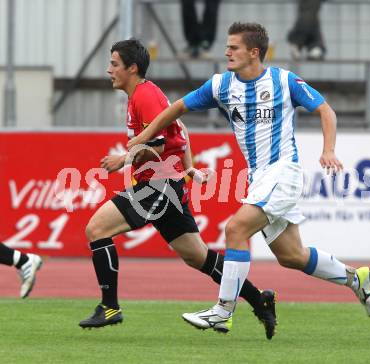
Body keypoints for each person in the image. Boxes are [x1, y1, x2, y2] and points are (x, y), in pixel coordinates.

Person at [127, 22, 370, 334]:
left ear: (254, 52)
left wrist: (328, 149)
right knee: (291, 256)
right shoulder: (221, 85)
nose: (227, 52)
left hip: (284, 172)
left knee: (235, 229)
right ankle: (355, 278)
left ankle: (223, 311)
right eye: (227, 46)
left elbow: (326, 111)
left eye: (234, 47)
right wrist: (144, 136)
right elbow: (173, 110)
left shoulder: (283, 81)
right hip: (260, 178)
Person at [78, 39, 277, 340]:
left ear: (132, 68)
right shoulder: (144, 95)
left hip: (158, 186)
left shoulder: (145, 96)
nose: (109, 70)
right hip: (166, 185)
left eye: (114, 64)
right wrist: (189, 168)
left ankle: (109, 307)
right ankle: (259, 298)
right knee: (198, 257)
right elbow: (180, 130)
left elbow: (158, 143)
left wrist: (125, 159)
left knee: (96, 229)